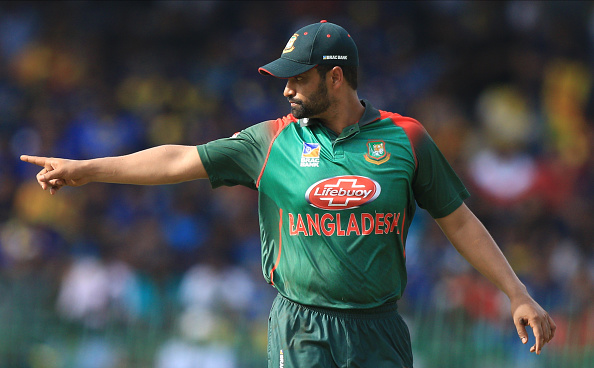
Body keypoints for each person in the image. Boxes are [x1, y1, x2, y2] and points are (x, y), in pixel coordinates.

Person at [21, 20, 555, 368]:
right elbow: (178, 159)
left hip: (381, 329)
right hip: (302, 326)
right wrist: (86, 169)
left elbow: (458, 220)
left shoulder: (406, 138)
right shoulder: (271, 141)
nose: (286, 88)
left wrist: (517, 293)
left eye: (299, 77)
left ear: (336, 78)